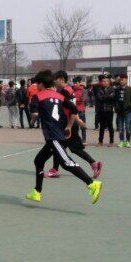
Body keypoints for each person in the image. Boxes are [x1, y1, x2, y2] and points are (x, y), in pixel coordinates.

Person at [25, 70, 102, 205]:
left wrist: (32, 120)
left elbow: (35, 114)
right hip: (57, 134)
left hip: (53, 136)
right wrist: (69, 126)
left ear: (41, 83)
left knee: (66, 162)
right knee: (39, 161)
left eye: (37, 84)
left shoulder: (38, 96)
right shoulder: (60, 96)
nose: (36, 86)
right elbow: (74, 109)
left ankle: (91, 184)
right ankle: (36, 191)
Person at [114, 73, 131, 147]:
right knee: (120, 127)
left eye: (123, 80)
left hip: (128, 111)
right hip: (119, 111)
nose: (121, 81)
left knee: (128, 127)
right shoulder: (117, 90)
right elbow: (115, 100)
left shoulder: (130, 89)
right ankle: (121, 141)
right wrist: (116, 107)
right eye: (120, 80)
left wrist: (130, 105)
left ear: (126, 80)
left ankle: (128, 141)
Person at [96, 76, 115, 146]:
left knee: (110, 126)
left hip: (109, 110)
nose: (103, 82)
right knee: (102, 126)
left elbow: (112, 97)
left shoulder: (112, 89)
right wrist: (107, 96)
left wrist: (104, 96)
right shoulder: (99, 89)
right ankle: (100, 141)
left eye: (104, 81)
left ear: (108, 82)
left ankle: (111, 141)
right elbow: (99, 97)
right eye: (102, 81)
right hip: (101, 110)